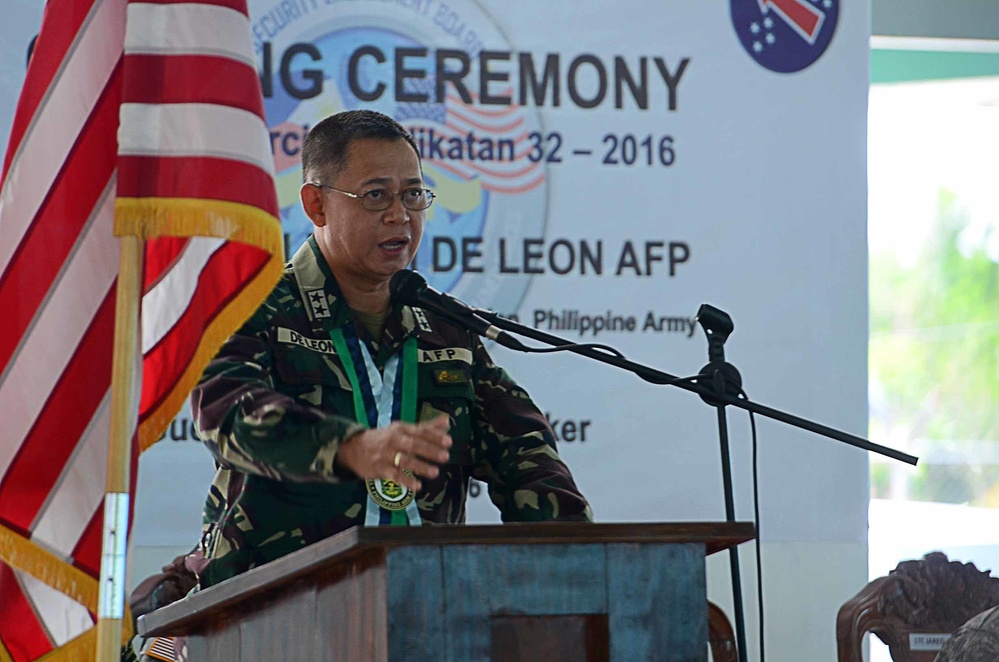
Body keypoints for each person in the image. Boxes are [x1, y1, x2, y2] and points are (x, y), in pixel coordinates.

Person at [190, 109, 592, 588]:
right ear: (316, 205)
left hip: (427, 605)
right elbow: (227, 413)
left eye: (413, 195)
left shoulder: (445, 328)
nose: (400, 215)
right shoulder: (253, 308)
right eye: (376, 195)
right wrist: (350, 447)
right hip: (274, 609)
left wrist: (580, 561)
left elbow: (526, 454)